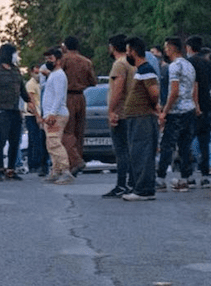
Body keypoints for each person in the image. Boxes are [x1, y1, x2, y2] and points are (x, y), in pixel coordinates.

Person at [0, 43, 34, 181]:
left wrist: (29, 101)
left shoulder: (15, 71)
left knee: (15, 141)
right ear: (7, 54)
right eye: (14, 53)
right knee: (0, 141)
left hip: (14, 110)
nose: (16, 56)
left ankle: (11, 169)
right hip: (0, 110)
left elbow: (21, 88)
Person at [121, 36, 160, 201]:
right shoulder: (141, 70)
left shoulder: (146, 70)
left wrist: (150, 106)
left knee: (141, 153)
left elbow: (154, 93)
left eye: (128, 51)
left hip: (142, 118)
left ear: (133, 51)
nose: (127, 54)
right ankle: (143, 188)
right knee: (138, 153)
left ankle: (143, 189)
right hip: (138, 117)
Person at [156, 37, 197, 192]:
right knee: (185, 146)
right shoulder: (189, 66)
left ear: (172, 48)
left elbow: (174, 92)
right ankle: (186, 177)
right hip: (189, 109)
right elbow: (194, 88)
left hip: (176, 111)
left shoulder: (174, 67)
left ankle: (160, 178)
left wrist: (165, 111)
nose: (165, 50)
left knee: (167, 145)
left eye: (167, 47)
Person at [103, 34, 136, 198]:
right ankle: (131, 183)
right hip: (131, 112)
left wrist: (111, 110)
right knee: (129, 150)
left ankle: (122, 184)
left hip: (120, 113)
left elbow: (118, 88)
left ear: (112, 47)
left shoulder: (119, 64)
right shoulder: (131, 63)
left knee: (121, 151)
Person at [60, 36, 97, 175]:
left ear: (65, 46)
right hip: (81, 96)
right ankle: (76, 161)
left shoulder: (64, 60)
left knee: (67, 131)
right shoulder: (86, 61)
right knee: (79, 131)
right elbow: (93, 81)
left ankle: (75, 161)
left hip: (68, 96)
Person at [41, 48, 74, 185]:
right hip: (51, 114)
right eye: (47, 58)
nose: (48, 61)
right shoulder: (53, 75)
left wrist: (52, 114)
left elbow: (59, 96)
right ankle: (56, 170)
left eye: (51, 58)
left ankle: (65, 171)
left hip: (56, 115)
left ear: (59, 60)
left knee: (54, 142)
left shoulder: (59, 75)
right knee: (51, 144)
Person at [186, 35, 211, 188]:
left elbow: (192, 85)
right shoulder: (207, 63)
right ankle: (205, 175)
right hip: (207, 106)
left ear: (189, 48)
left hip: (194, 108)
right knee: (205, 142)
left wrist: (195, 105)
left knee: (188, 141)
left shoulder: (189, 63)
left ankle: (189, 174)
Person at [24, 64, 48, 176]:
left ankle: (39, 163)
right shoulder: (31, 84)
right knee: (34, 140)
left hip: (40, 114)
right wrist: (37, 116)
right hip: (32, 115)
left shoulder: (41, 84)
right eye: (36, 71)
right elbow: (32, 101)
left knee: (39, 140)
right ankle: (33, 164)